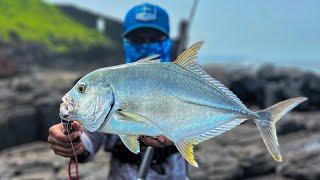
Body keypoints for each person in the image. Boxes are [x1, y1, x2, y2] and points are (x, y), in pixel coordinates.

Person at [48, 3, 187, 180]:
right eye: (137, 39)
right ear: (126, 42)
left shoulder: (185, 84)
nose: (146, 44)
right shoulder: (104, 86)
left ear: (167, 41)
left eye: (154, 38)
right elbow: (88, 140)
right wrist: (73, 142)